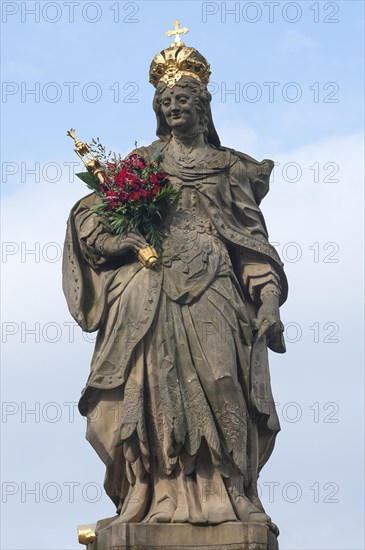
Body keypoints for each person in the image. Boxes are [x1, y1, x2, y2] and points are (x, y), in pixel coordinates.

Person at [63, 32, 288, 531]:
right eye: (165, 101)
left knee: (224, 381)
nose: (173, 106)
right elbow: (93, 217)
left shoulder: (230, 167)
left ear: (202, 106)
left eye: (183, 98)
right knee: (149, 390)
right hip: (152, 288)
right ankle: (149, 493)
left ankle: (231, 492)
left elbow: (252, 243)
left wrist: (268, 301)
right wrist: (123, 243)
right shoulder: (141, 163)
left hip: (214, 281)